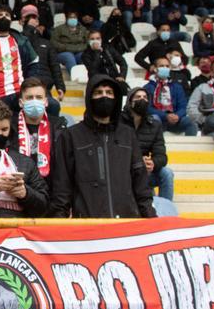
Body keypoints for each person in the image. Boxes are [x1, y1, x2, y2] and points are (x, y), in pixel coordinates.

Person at [51, 74, 154, 218]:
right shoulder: (70, 136)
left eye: (109, 93)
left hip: (127, 224)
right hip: (89, 227)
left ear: (116, 98)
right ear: (89, 98)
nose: (104, 97)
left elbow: (141, 184)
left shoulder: (128, 135)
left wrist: (150, 218)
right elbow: (62, 187)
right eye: (98, 93)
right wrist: (59, 224)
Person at [120, 87, 173, 200]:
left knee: (167, 173)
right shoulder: (118, 122)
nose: (142, 100)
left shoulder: (154, 125)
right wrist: (137, 162)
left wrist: (152, 163)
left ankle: (167, 212)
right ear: (130, 102)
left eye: (145, 98)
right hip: (123, 171)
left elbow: (161, 156)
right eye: (138, 97)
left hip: (144, 172)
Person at [146, 56, 198, 136]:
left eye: (167, 66)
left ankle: (190, 148)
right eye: (161, 66)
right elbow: (148, 108)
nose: (165, 68)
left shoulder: (177, 87)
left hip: (175, 119)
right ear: (155, 69)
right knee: (154, 120)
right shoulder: (148, 87)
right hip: (158, 119)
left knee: (191, 122)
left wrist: (177, 115)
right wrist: (165, 116)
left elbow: (183, 106)